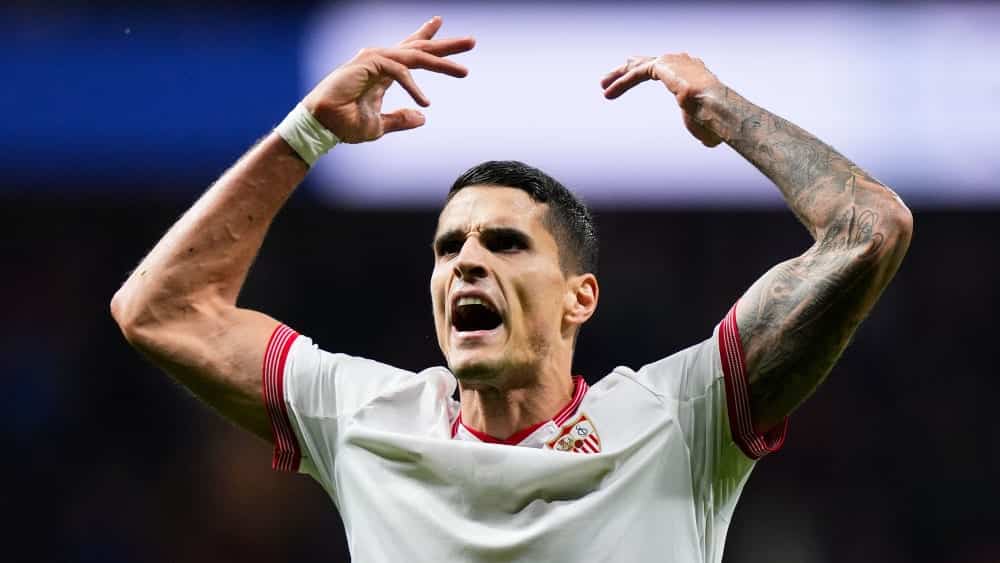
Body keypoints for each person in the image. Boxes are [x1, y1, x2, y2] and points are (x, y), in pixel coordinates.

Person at [110, 16, 912, 563]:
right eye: (448, 246)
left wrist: (723, 110)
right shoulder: (361, 415)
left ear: (579, 297)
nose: (466, 260)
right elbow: (156, 310)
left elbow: (869, 229)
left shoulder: (683, 419)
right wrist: (306, 131)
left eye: (504, 243)